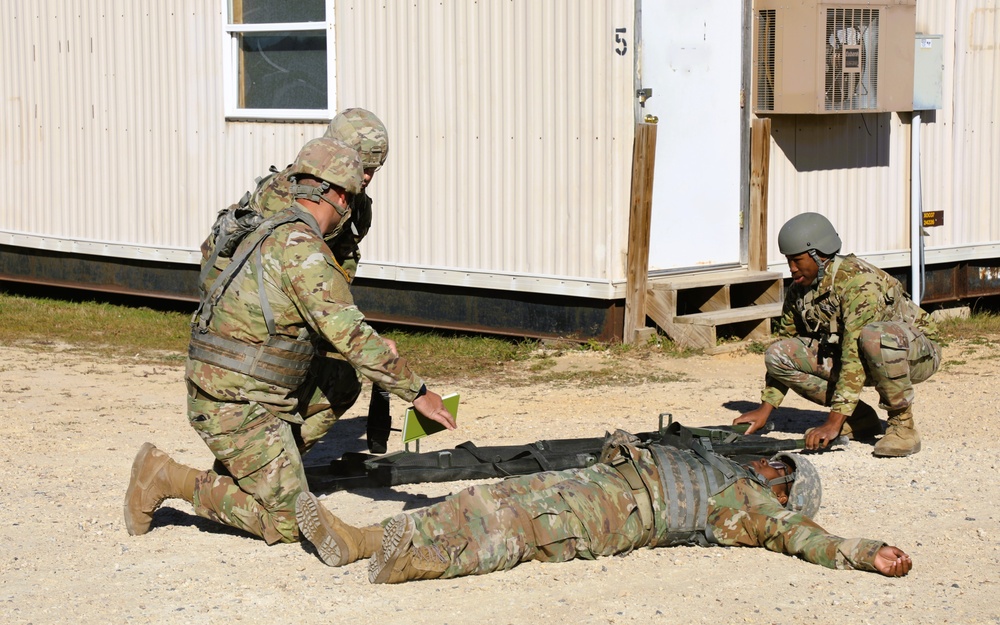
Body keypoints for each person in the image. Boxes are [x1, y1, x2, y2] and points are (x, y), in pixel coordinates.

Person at [124, 137, 456, 545]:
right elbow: (349, 332)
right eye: (350, 197)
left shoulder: (274, 228)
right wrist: (418, 392)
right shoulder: (302, 249)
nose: (351, 208)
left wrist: (362, 350)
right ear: (333, 194)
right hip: (233, 399)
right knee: (287, 522)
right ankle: (166, 476)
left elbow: (311, 327)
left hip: (240, 383)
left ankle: (261, 471)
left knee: (342, 379)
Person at [294, 430, 912, 583]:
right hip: (594, 482)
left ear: (786, 495)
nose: (770, 467)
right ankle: (363, 540)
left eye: (782, 473)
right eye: (779, 462)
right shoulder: (718, 461)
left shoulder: (756, 511)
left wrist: (863, 553)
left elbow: (807, 541)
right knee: (486, 497)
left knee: (511, 532)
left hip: (613, 519)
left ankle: (416, 562)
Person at [734, 212, 942, 457]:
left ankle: (902, 426)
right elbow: (786, 342)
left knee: (876, 336)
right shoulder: (800, 289)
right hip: (862, 353)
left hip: (915, 355)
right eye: (788, 260)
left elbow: (854, 354)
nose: (792, 268)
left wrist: (832, 423)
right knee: (778, 354)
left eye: (797, 260)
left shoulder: (859, 282)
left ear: (819, 255)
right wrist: (765, 409)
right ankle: (859, 418)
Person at [251, 107, 394, 453]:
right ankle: (267, 470)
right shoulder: (284, 197)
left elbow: (335, 275)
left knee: (344, 380)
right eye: (362, 165)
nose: (367, 177)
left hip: (309, 315)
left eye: (373, 169)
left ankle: (279, 464)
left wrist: (359, 337)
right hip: (259, 324)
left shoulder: (356, 207)